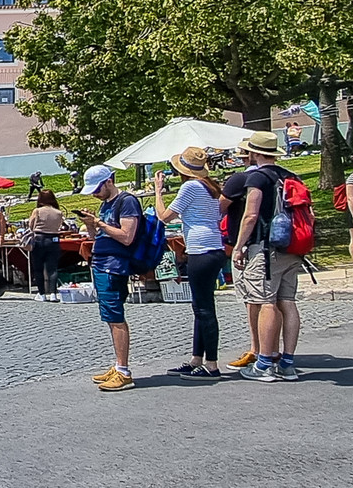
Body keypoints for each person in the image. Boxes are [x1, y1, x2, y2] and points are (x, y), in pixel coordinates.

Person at [223, 130, 303, 383]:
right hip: (291, 246)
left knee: (265, 301)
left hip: (266, 248)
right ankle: (288, 363)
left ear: (254, 152)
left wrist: (239, 245)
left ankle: (265, 363)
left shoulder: (257, 178)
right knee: (287, 302)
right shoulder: (289, 175)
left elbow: (251, 214)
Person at [155, 148, 226, 377]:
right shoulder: (210, 187)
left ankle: (212, 364)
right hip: (213, 246)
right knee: (200, 305)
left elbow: (164, 216)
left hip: (201, 249)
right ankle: (197, 358)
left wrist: (158, 192)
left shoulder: (190, 187)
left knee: (204, 308)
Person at [75, 164, 140, 392]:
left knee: (115, 315)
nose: (94, 193)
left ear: (109, 181)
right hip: (102, 263)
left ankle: (124, 370)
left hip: (114, 266)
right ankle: (118, 365)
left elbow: (127, 236)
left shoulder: (127, 202)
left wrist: (100, 223)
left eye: (97, 188)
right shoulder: (106, 204)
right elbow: (99, 235)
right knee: (109, 316)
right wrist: (91, 225)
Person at [26, 190, 67, 301]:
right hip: (53, 239)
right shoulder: (58, 212)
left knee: (38, 268)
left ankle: (42, 293)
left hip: (39, 238)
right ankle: (53, 293)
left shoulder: (37, 211)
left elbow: (31, 225)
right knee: (52, 268)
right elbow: (59, 226)